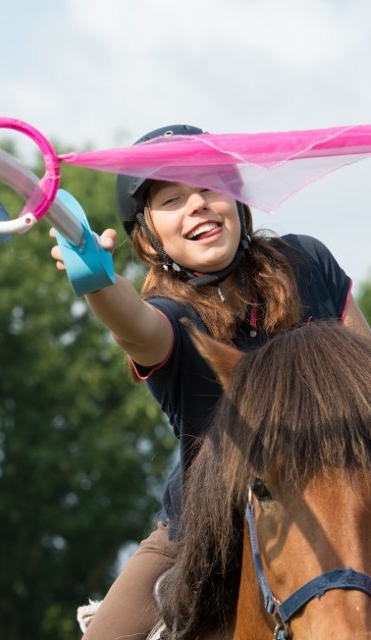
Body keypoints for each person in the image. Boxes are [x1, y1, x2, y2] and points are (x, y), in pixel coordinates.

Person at [50, 124, 371, 640]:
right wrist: (98, 282)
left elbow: (366, 375)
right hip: (203, 538)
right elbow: (134, 323)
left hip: (344, 504)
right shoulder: (173, 320)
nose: (196, 204)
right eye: (172, 199)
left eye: (208, 187)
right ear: (148, 238)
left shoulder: (308, 262)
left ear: (237, 202)